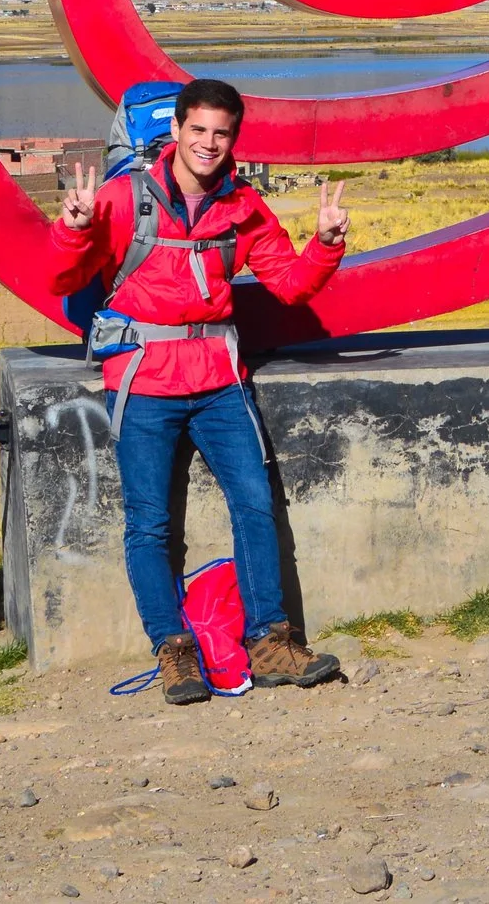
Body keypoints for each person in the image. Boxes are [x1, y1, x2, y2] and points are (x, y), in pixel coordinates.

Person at [48, 77, 350, 703]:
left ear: (233, 138)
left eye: (222, 133)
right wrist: (75, 228)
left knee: (256, 506)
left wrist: (324, 244)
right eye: (199, 131)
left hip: (219, 380)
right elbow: (64, 276)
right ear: (177, 131)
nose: (209, 144)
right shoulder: (124, 197)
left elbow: (289, 286)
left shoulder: (243, 207)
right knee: (151, 525)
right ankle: (174, 652)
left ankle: (271, 643)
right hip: (144, 378)